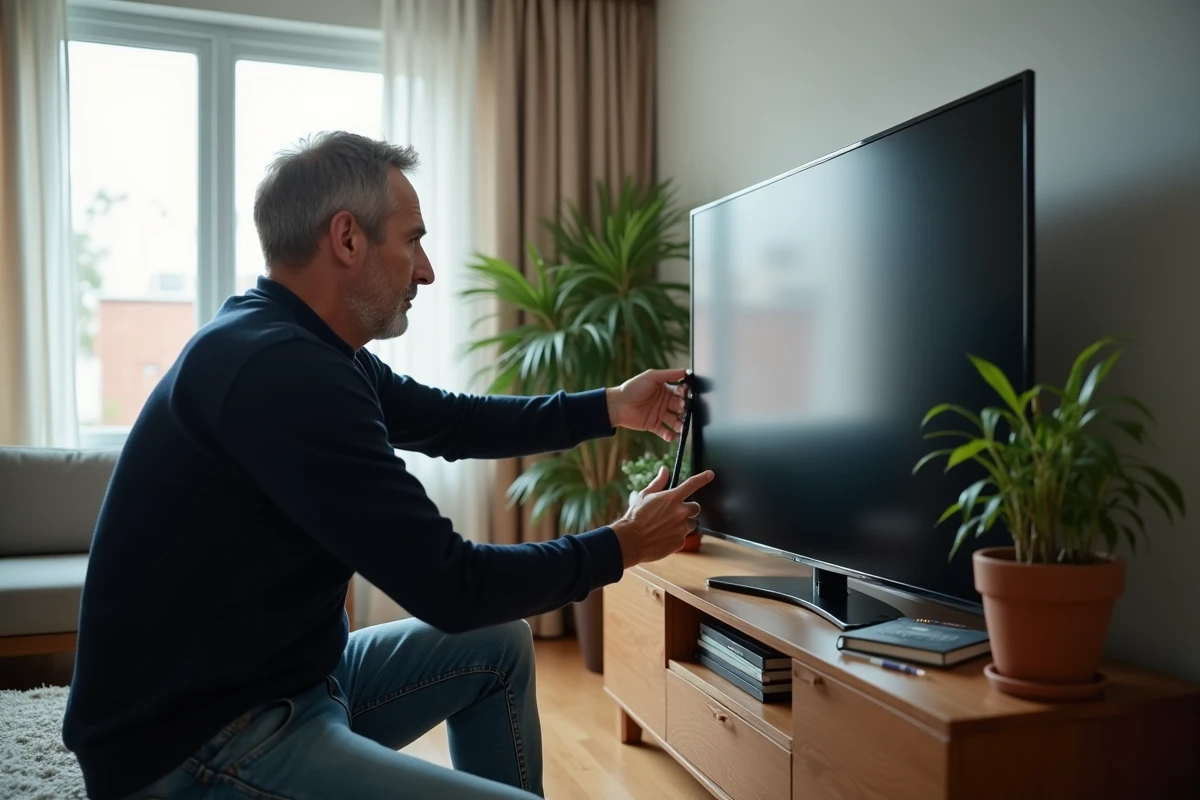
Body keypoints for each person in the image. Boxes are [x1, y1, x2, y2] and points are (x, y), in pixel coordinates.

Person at [62, 131, 715, 800]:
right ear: (347, 239)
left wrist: (609, 405)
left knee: (499, 645)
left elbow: (453, 422)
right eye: (412, 241)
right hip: (195, 744)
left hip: (286, 684)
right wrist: (623, 544)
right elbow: (451, 587)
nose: (426, 270)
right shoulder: (282, 374)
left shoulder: (302, 345)